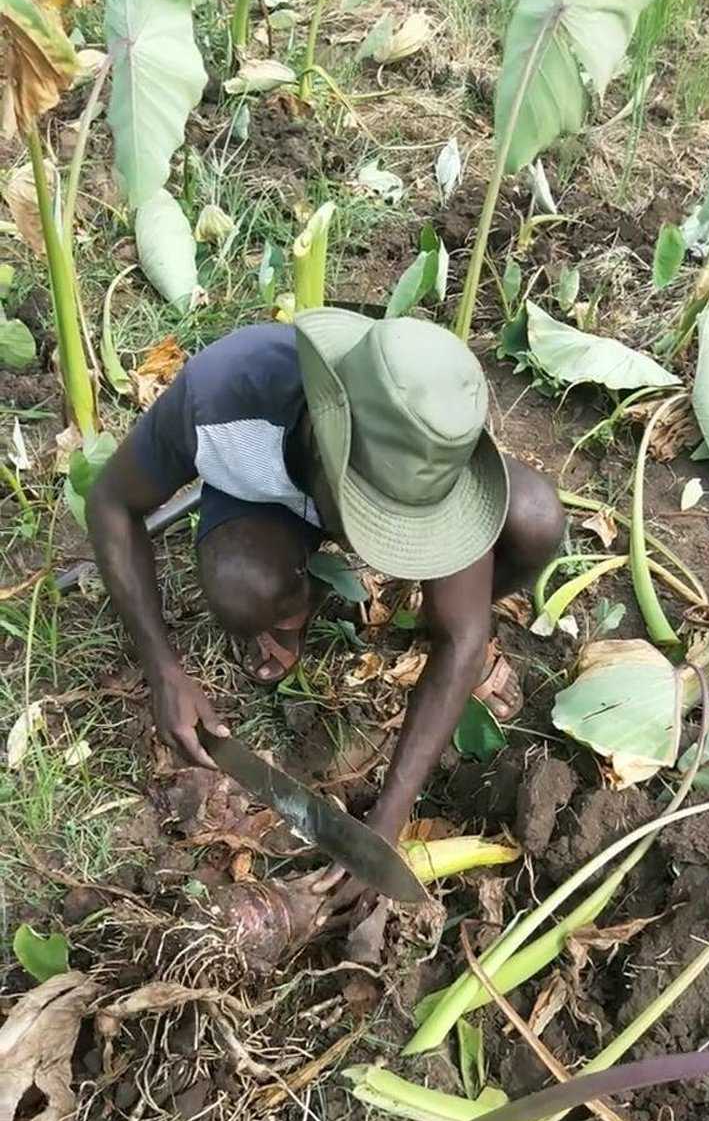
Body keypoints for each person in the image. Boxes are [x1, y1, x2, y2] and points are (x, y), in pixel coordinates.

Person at [88, 310, 564, 872]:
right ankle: (290, 612)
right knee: (244, 590)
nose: (386, 551)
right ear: (323, 442)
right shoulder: (219, 398)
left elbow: (462, 639)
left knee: (535, 520)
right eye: (374, 516)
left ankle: (447, 600)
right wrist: (163, 668)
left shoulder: (424, 440)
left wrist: (386, 821)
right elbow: (111, 504)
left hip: (385, 485)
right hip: (268, 501)